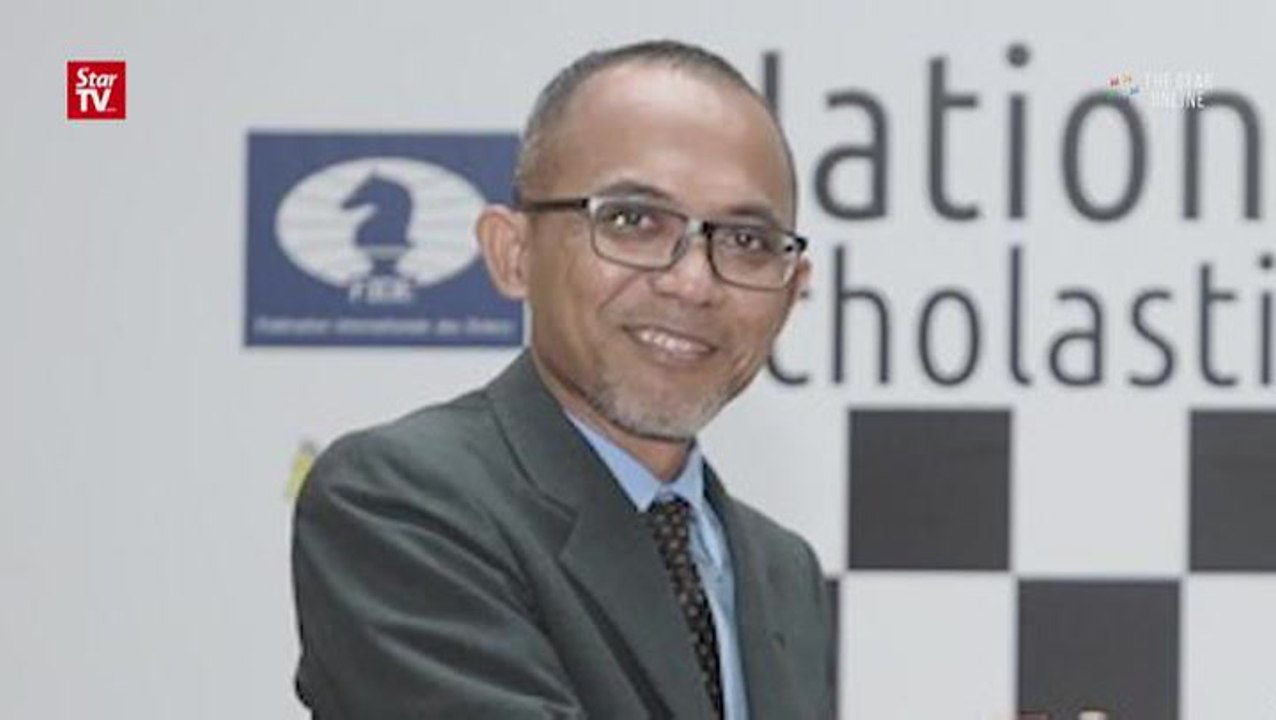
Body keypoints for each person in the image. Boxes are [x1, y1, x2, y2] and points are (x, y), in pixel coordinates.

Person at [291, 39, 835, 719]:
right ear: (512, 253)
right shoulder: (401, 502)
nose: (693, 281)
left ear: (792, 289)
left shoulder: (782, 572)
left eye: (747, 241)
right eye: (633, 221)